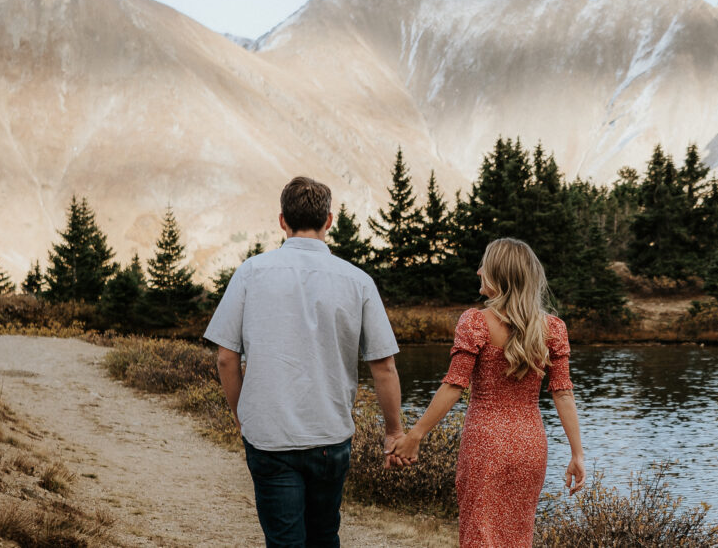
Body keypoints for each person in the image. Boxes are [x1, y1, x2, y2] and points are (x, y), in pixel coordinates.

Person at [204, 176, 405, 548]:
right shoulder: (358, 281)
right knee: (325, 536)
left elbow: (226, 358)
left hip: (269, 436)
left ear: (282, 221)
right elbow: (384, 367)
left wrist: (240, 413)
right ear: (329, 220)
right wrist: (393, 432)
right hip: (329, 436)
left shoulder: (251, 272)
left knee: (284, 541)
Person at [389, 238, 586, 547]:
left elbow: (454, 384)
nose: (479, 271)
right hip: (530, 445)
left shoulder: (475, 322)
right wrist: (577, 454)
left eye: (485, 266)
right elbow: (563, 393)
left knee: (480, 535)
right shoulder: (553, 329)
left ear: (499, 275)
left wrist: (415, 436)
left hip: (486, 443)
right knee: (518, 536)